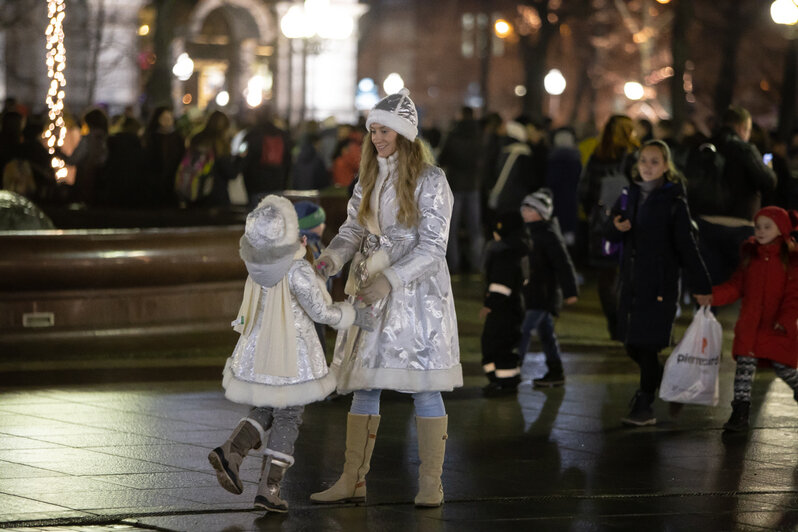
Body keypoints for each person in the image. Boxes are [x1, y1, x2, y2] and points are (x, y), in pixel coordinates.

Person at [309, 88, 462, 508]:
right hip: (371, 290)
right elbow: (354, 229)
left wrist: (389, 279)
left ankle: (431, 483)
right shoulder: (370, 176)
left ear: (405, 134)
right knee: (364, 382)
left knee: (425, 385)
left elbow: (433, 246)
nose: (376, 138)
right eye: (372, 130)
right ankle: (351, 479)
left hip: (418, 296)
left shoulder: (432, 181)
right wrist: (330, 260)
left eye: (384, 131)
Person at [208, 195, 375, 513]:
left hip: (261, 355)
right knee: (288, 415)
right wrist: (353, 315)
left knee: (264, 408)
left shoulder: (258, 268)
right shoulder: (297, 270)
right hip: (291, 358)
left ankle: (232, 451)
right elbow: (323, 312)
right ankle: (269, 489)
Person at [603, 140, 712, 426]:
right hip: (631, 284)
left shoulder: (674, 202)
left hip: (659, 286)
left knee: (647, 346)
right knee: (631, 345)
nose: (648, 166)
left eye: (654, 161)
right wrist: (615, 227)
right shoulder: (629, 195)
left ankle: (644, 404)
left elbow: (687, 247)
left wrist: (701, 286)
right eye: (643, 161)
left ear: (666, 166)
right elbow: (608, 235)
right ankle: (671, 385)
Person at [707, 206, 798, 432]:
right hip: (750, 326)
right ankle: (740, 411)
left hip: (775, 327)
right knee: (744, 370)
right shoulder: (750, 256)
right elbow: (736, 286)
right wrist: (712, 296)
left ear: (782, 229)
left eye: (767, 227)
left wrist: (786, 321)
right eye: (758, 226)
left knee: (785, 369)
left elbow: (793, 297)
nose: (760, 231)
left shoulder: (790, 261)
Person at [691, 105, 777, 286]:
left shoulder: (703, 147)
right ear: (741, 127)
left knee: (710, 282)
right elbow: (768, 182)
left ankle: (707, 314)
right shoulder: (745, 149)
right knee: (743, 282)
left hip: (705, 221)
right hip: (740, 223)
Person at [578, 114, 639, 341]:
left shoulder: (596, 157)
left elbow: (583, 191)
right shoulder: (633, 158)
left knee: (605, 277)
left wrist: (595, 213)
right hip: (628, 225)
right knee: (628, 276)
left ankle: (614, 325)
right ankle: (626, 323)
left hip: (600, 225)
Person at [519, 188, 579, 388]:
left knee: (524, 329)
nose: (524, 211)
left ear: (541, 213)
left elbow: (564, 264)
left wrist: (570, 291)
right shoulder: (528, 233)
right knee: (546, 334)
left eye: (530, 208)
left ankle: (512, 370)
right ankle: (556, 372)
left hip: (544, 295)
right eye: (524, 207)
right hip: (533, 294)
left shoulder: (548, 235)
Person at [479, 210, 529, 395]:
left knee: (497, 345)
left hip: (503, 311)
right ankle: (502, 380)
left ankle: (504, 383)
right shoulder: (518, 250)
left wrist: (489, 304)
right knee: (501, 345)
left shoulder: (505, 254)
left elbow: (501, 284)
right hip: (512, 309)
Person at [438, 106, 485, 275]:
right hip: (473, 186)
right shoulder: (479, 136)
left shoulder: (453, 135)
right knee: (475, 229)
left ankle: (453, 265)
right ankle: (477, 265)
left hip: (455, 185)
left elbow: (442, 158)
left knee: (451, 227)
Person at [142, 106, 185, 208]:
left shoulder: (178, 138)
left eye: (169, 119)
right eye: (164, 119)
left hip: (173, 181)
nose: (167, 122)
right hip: (154, 184)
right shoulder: (151, 138)